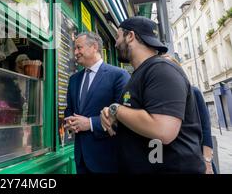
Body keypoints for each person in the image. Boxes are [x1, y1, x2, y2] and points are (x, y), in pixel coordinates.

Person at [100, 16, 205, 174]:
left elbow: (163, 130)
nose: (115, 43)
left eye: (117, 36)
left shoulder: (161, 70)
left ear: (130, 36)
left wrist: (115, 109)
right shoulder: (142, 73)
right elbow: (137, 118)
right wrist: (112, 117)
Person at [64, 32, 130, 174]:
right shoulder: (74, 79)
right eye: (75, 48)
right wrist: (71, 122)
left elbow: (125, 116)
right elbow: (69, 109)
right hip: (81, 159)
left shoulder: (119, 75)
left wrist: (90, 123)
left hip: (107, 159)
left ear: (94, 47)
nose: (75, 52)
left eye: (79, 48)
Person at [161, 54, 216, 174]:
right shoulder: (159, 97)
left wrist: (207, 162)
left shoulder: (194, 91)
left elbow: (206, 129)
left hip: (198, 159)